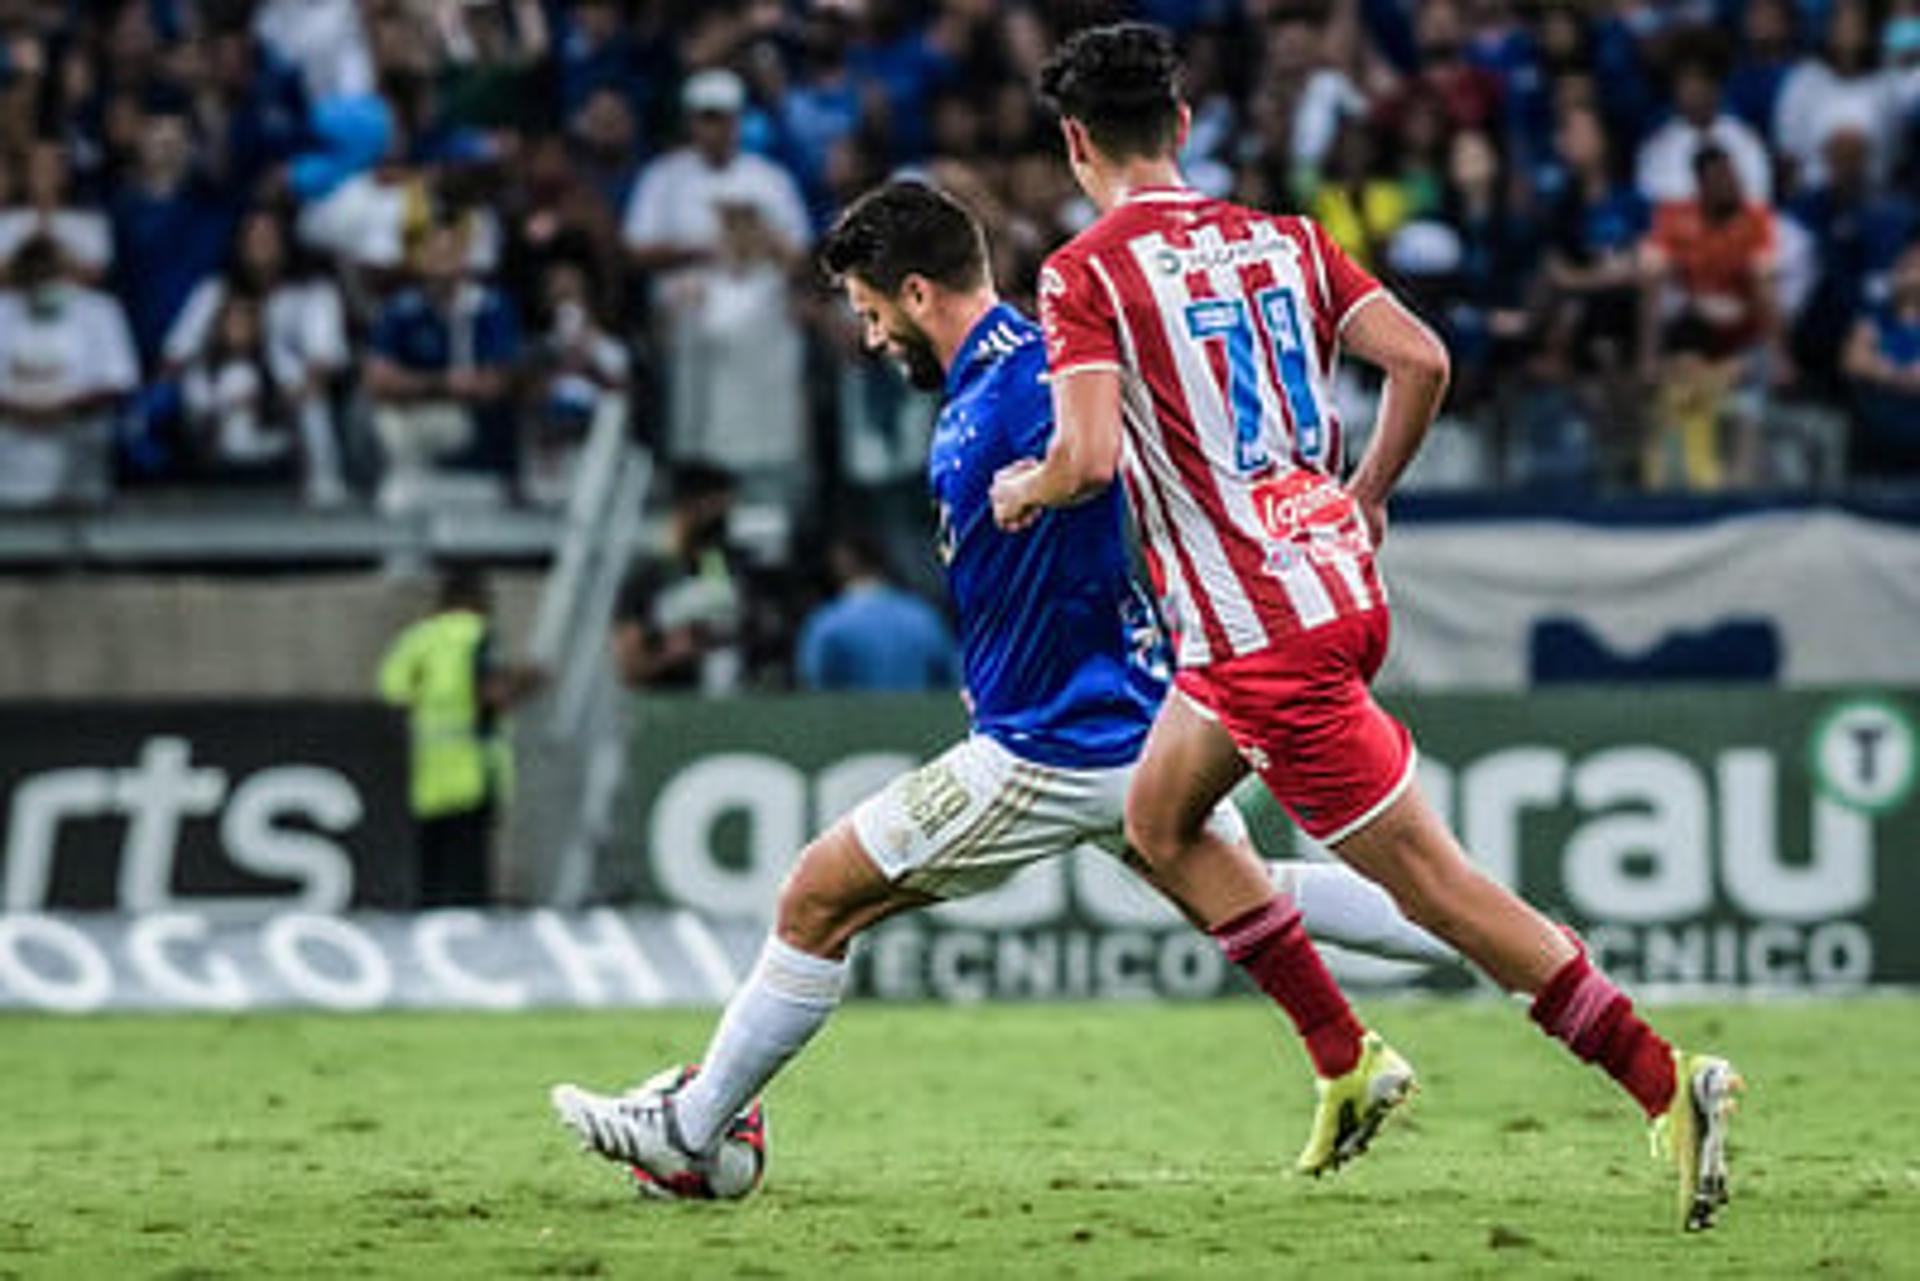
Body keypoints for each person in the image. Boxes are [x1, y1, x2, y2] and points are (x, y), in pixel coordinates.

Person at [552, 181, 1451, 1193]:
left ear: (920, 292)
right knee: (1251, 894)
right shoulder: (1004, 378)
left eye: (870, 308)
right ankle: (1501, 938)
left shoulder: (1034, 383)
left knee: (814, 900)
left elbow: (1108, 463)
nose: (869, 333)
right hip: (1132, 724)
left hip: (1052, 743)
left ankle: (693, 1131)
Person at [989, 23, 1740, 1231]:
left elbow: (1080, 459)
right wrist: (1369, 493)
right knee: (1160, 819)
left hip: (1261, 639)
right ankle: (1344, 1059)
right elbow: (1424, 362)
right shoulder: (1284, 239)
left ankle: (1667, 1078)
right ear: (1182, 129)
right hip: (1314, 594)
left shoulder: (1085, 273)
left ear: (1076, 143)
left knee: (1440, 892)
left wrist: (1022, 486)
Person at [377, 569, 541, 906]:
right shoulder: (476, 635)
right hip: (472, 772)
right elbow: (492, 693)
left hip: (428, 775)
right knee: (469, 875)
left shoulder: (419, 639)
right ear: (478, 601)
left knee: (430, 873)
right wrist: (528, 683)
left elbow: (391, 689)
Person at [796, 531, 958, 692]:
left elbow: (814, 688)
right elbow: (952, 680)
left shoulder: (828, 624)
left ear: (843, 561)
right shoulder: (924, 618)